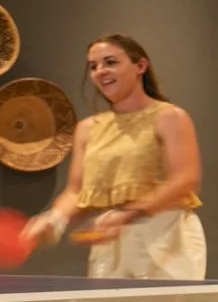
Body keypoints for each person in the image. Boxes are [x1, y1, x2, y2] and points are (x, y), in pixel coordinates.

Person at [25, 34, 206, 279]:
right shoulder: (88, 128)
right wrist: (54, 219)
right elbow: (77, 191)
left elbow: (185, 180)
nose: (100, 71)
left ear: (140, 66)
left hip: (167, 238)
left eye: (110, 62)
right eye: (93, 66)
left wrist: (128, 214)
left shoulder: (170, 117)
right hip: (110, 242)